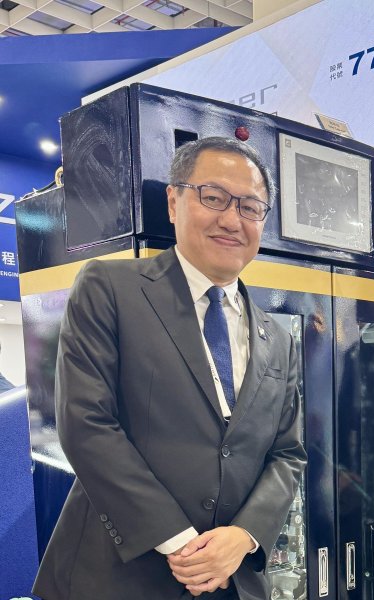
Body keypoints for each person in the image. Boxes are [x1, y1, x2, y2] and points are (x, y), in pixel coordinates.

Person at [33, 137, 307, 600]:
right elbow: (86, 423)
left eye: (250, 207)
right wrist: (182, 545)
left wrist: (245, 536)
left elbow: (288, 453)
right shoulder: (109, 289)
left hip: (231, 579)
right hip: (117, 577)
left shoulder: (278, 339)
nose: (231, 220)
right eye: (213, 197)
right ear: (174, 202)